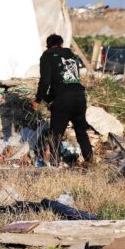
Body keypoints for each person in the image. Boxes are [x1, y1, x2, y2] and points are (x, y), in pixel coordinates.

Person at [32, 34, 92, 166]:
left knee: (56, 134)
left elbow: (45, 81)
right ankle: (90, 161)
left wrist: (38, 99)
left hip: (63, 99)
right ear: (62, 43)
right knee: (81, 131)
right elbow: (68, 80)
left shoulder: (47, 56)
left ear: (48, 45)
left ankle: (54, 164)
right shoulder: (71, 55)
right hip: (80, 96)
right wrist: (48, 98)